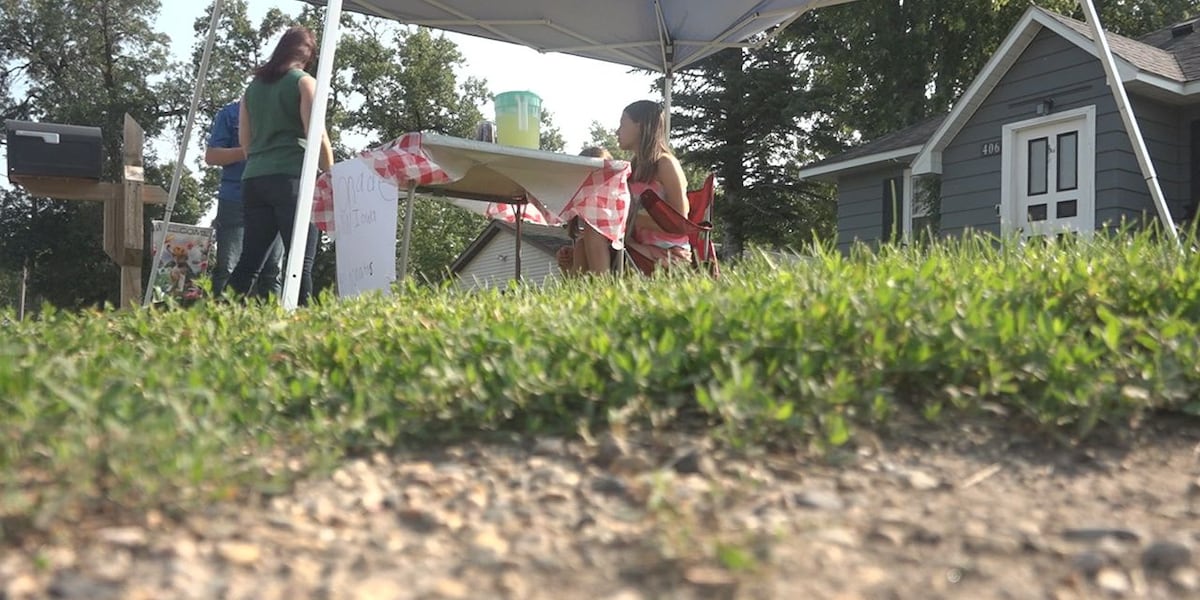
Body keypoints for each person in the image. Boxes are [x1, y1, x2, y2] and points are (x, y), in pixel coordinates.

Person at [227, 25, 334, 306]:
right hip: (292, 179)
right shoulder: (303, 82)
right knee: (300, 262)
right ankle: (304, 326)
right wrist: (332, 173)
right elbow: (316, 133)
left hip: (255, 179)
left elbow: (245, 142)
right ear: (309, 55)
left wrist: (263, 159)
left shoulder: (251, 89)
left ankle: (216, 317)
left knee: (249, 261)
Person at [204, 100, 284, 298]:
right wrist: (248, 150)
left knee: (272, 271)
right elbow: (212, 156)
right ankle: (221, 324)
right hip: (235, 199)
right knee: (227, 267)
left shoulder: (287, 113)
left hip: (274, 199)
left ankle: (275, 326)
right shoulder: (231, 113)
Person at [618, 100, 691, 270]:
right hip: (635, 245)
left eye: (622, 124)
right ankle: (589, 294)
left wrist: (632, 220)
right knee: (584, 244)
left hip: (668, 251)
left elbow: (680, 221)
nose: (617, 131)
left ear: (640, 126)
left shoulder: (665, 164)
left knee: (595, 244)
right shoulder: (634, 167)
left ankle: (601, 293)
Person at [557, 146, 613, 275]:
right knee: (576, 250)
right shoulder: (579, 205)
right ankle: (573, 287)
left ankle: (583, 289)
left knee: (581, 247)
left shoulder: (611, 202)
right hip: (593, 253)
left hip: (616, 248)